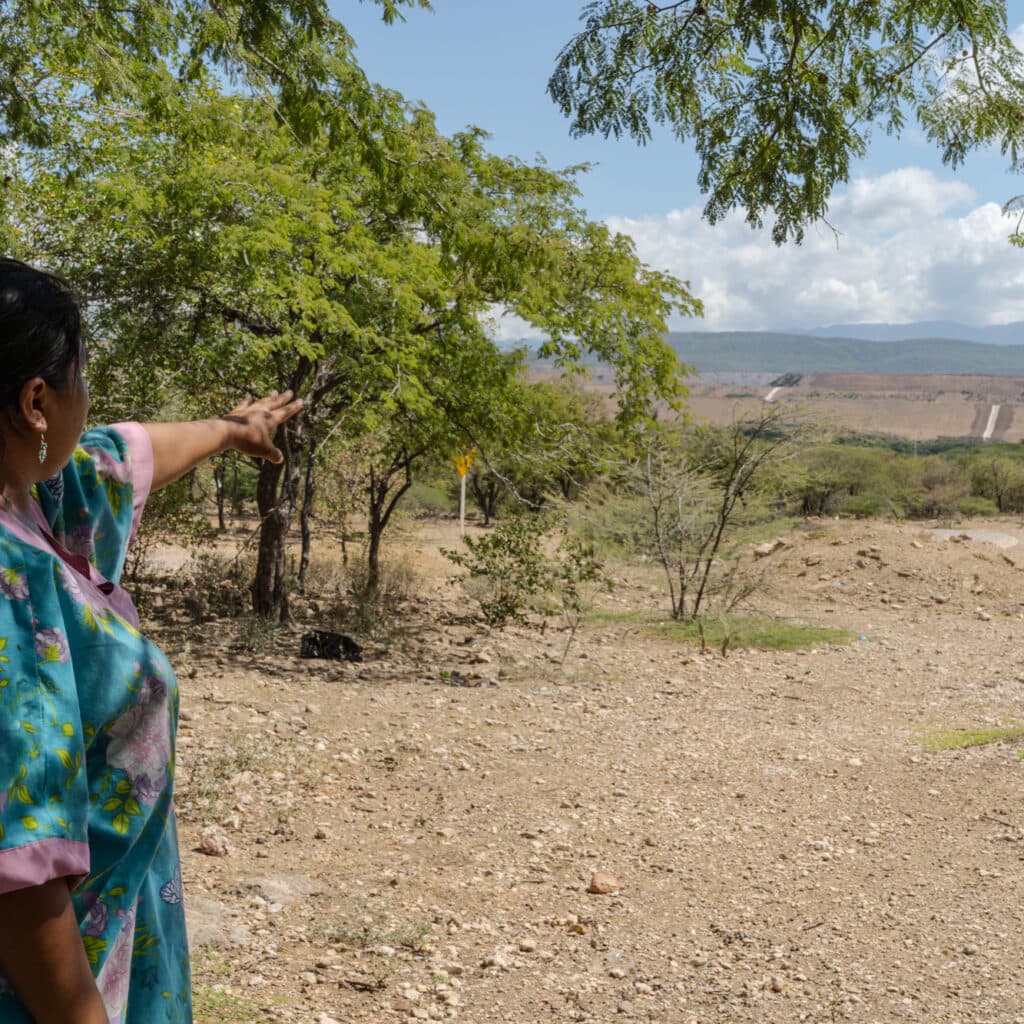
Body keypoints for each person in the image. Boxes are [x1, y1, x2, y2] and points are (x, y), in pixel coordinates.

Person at [0, 257, 302, 1023]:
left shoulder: (34, 498)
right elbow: (17, 868)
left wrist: (235, 431)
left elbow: (125, 452)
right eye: (79, 378)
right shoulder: (8, 585)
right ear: (36, 399)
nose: (87, 402)